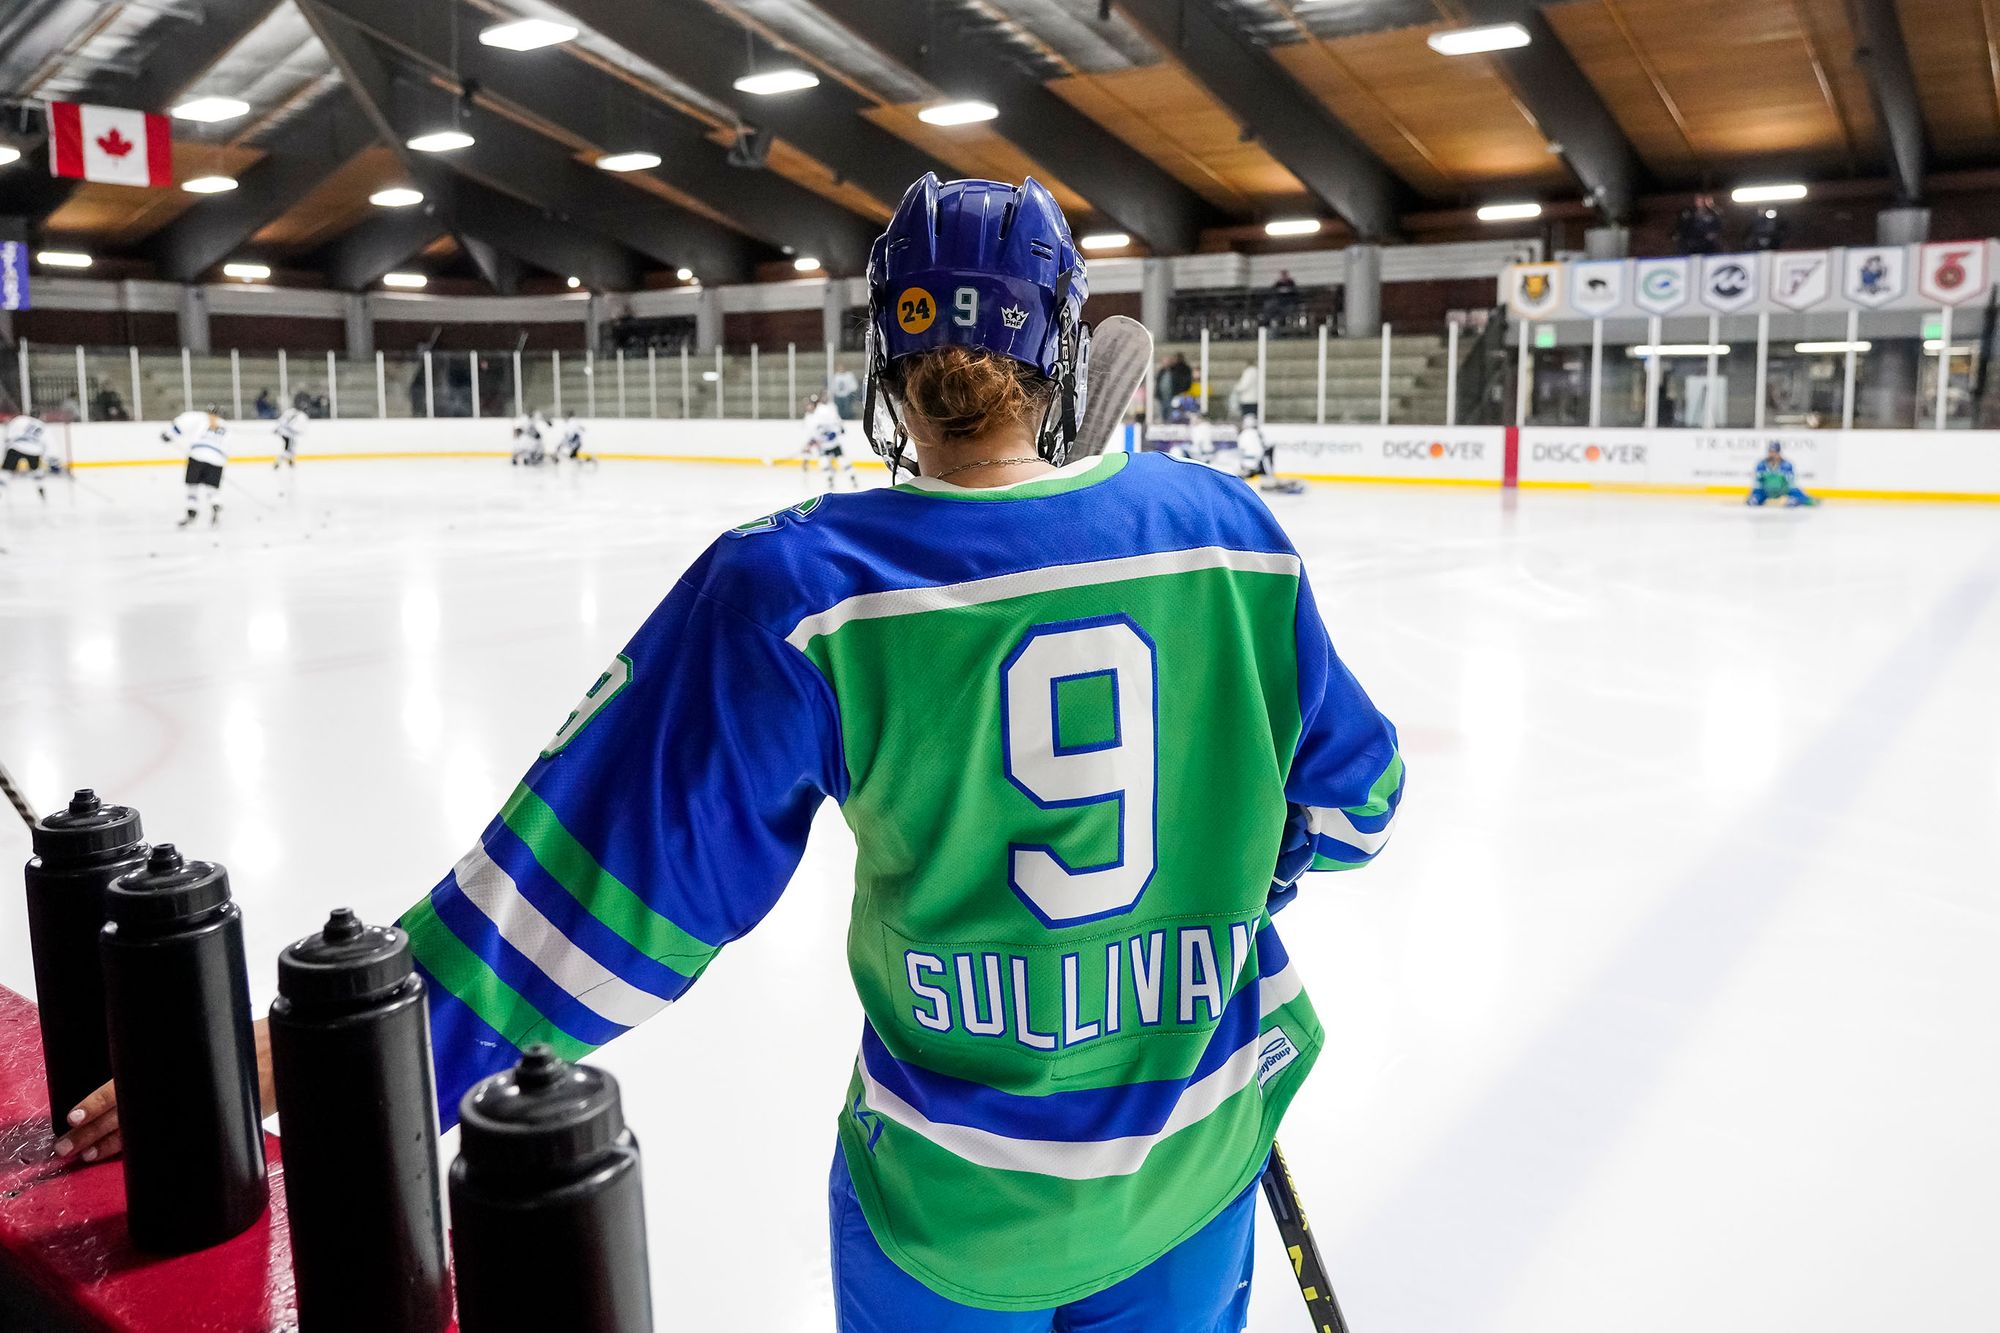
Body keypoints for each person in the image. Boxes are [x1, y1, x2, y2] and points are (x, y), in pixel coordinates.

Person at [56, 174, 1405, 1332]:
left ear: (889, 359)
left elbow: (597, 896)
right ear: (1057, 344)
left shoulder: (807, 589)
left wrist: (322, 1053)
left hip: (956, 1207)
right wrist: (1231, 867)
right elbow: (1359, 804)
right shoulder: (1229, 535)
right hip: (1196, 1161)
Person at [164, 407, 227, 527]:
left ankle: (191, 511)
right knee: (211, 487)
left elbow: (182, 422)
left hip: (198, 454)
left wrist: (169, 435)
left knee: (192, 486)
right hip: (217, 459)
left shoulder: (202, 417)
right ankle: (215, 503)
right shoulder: (226, 426)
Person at [800, 391, 858, 490]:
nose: (808, 407)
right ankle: (830, 482)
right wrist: (810, 443)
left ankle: (852, 478)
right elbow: (812, 435)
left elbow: (837, 425)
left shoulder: (824, 412)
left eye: (810, 404)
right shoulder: (808, 418)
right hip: (823, 446)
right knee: (824, 464)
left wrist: (835, 432)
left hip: (833, 443)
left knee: (842, 461)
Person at [1747, 441, 1817, 507]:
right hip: (1766, 490)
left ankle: (1806, 500)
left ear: (1779, 453)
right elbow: (1757, 482)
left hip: (1782, 489)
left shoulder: (1786, 465)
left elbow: (1791, 482)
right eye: (1770, 452)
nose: (1772, 454)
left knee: (1794, 494)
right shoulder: (1761, 464)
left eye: (1775, 452)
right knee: (1753, 501)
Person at [2, 413, 51, 503]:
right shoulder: (41, 424)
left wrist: (8, 444)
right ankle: (41, 489)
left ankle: (1, 489)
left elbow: (10, 432)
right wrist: (50, 459)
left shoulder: (20, 419)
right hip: (34, 450)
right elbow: (47, 442)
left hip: (16, 447)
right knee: (36, 471)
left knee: (6, 471)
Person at [272, 403, 307, 470]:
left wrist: (278, 428)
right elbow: (298, 428)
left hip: (283, 432)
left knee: (291, 447)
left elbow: (281, 420)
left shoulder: (290, 411)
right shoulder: (301, 416)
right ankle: (278, 462)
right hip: (289, 434)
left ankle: (291, 461)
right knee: (288, 449)